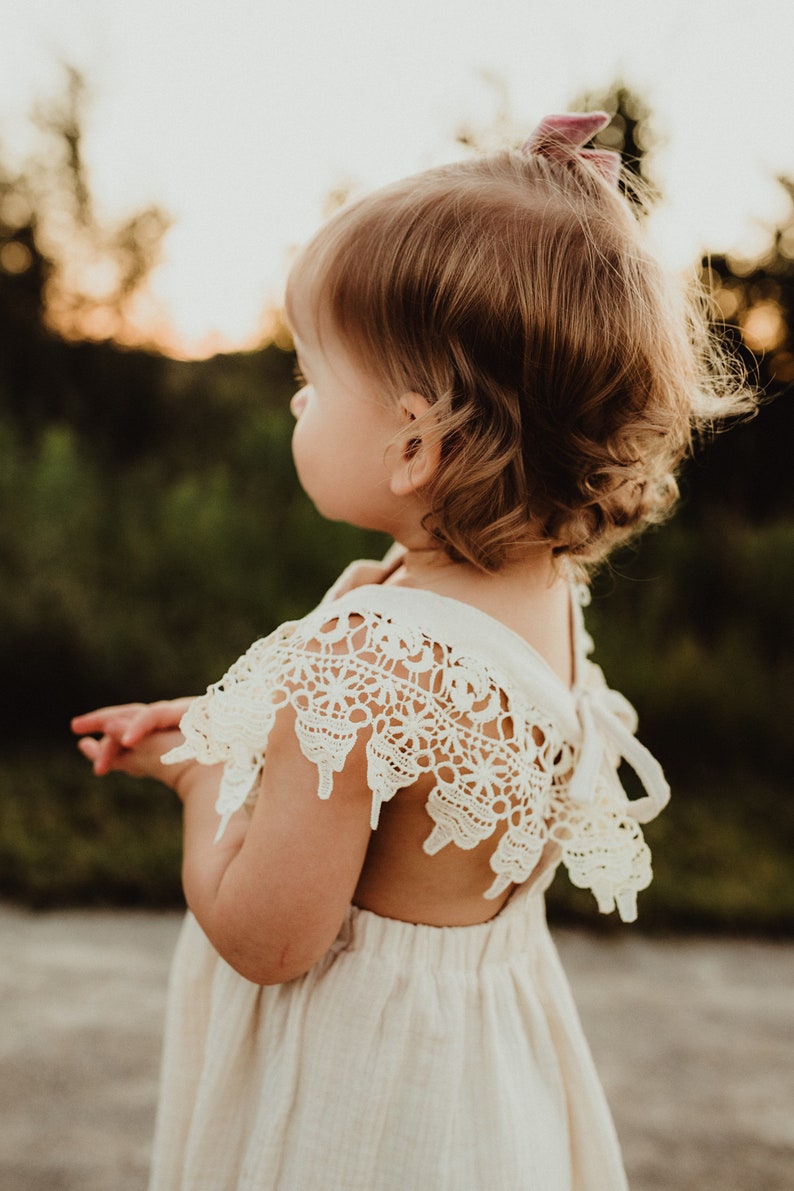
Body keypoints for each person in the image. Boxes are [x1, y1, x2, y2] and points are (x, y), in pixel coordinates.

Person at [71, 112, 752, 1190]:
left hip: (360, 1104)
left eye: (312, 377)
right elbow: (407, 793)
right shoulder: (540, 602)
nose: (295, 399)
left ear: (413, 442)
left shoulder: (364, 661)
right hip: (480, 1083)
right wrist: (221, 728)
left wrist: (205, 786)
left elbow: (268, 937)